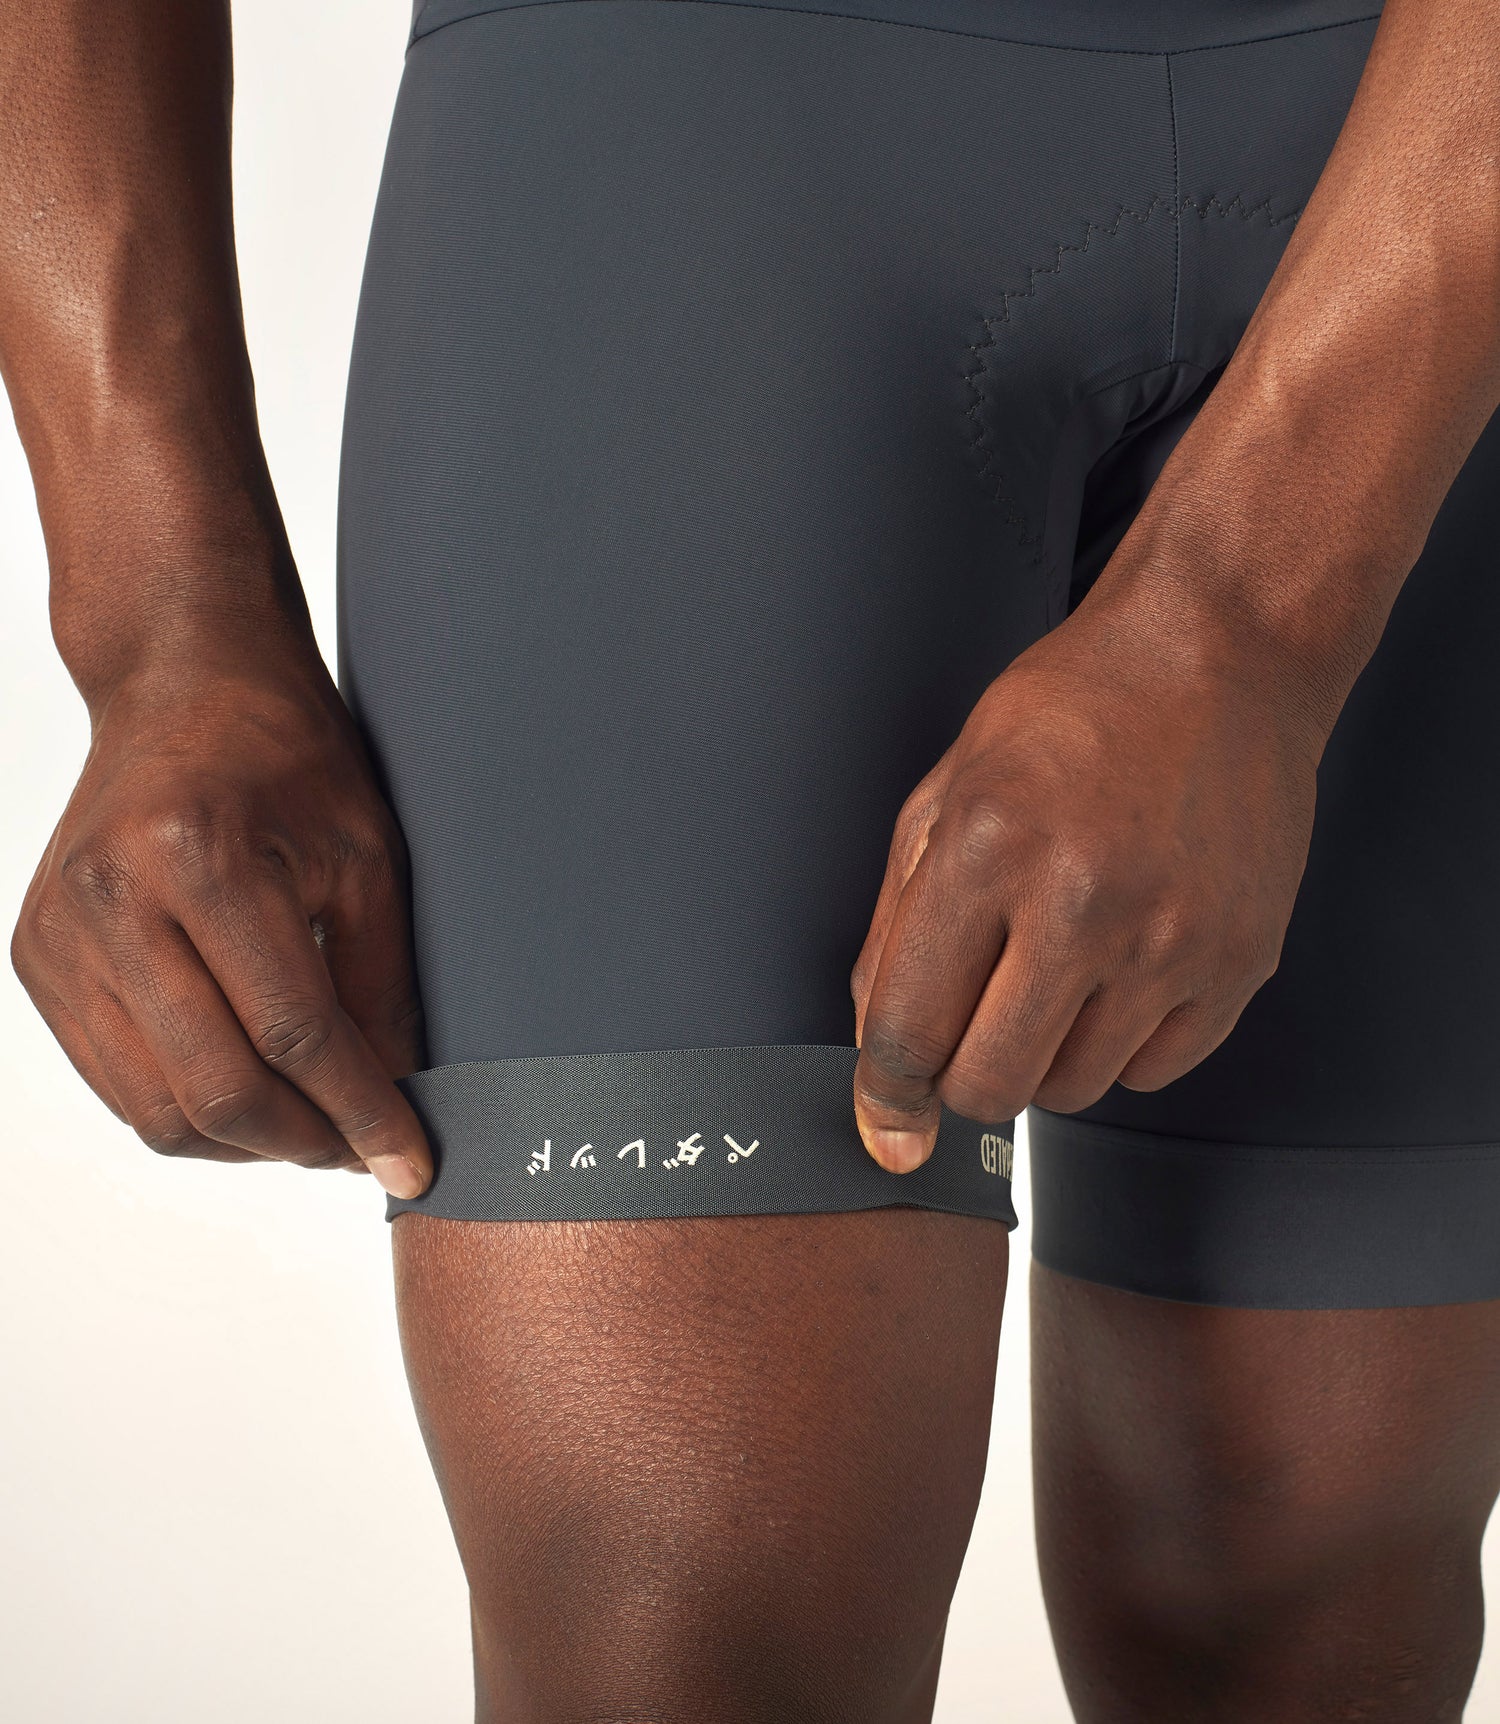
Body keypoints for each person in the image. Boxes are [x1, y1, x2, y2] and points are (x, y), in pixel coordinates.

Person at [5, 0, 1499, 1715]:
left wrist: (1247, 616)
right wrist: (156, 619)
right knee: (679, 1616)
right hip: (692, 147)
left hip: (1436, 142)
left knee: (1298, 1587)